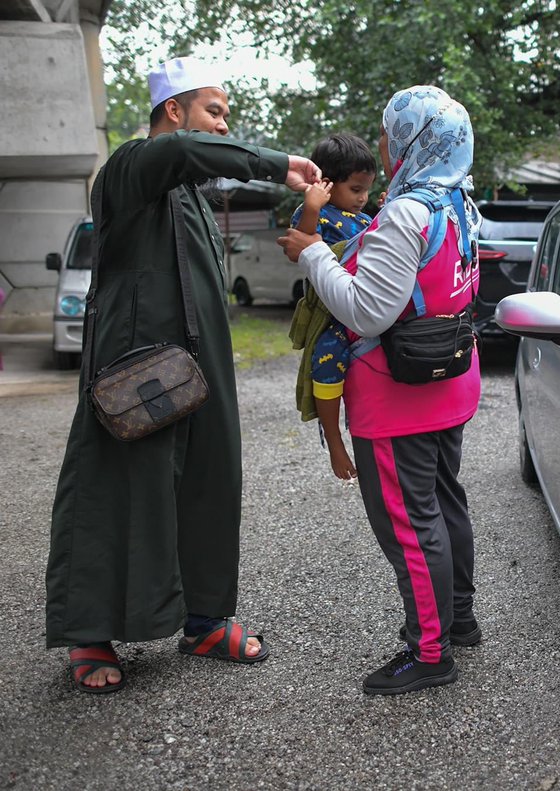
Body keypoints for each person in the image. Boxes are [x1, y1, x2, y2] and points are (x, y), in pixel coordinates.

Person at [45, 56, 322, 694]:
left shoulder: (191, 192)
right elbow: (183, 155)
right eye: (215, 112)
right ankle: (90, 631)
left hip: (202, 364)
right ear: (175, 112)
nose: (224, 127)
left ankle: (202, 621)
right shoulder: (131, 167)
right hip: (134, 362)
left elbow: (195, 166)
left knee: (209, 483)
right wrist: (274, 162)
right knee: (118, 487)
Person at [278, 85, 481, 695]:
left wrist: (315, 255)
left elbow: (368, 313)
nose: (386, 143)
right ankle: (459, 619)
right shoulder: (460, 201)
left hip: (397, 394)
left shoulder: (406, 212)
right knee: (446, 503)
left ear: (417, 138)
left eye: (392, 132)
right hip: (448, 378)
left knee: (410, 526)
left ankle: (429, 653)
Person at [289, 134, 376, 480]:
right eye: (356, 189)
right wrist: (311, 206)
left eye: (367, 189)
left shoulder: (365, 219)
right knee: (326, 358)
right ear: (326, 184)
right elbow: (302, 244)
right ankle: (335, 440)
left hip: (363, 306)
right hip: (331, 315)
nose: (363, 198)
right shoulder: (316, 213)